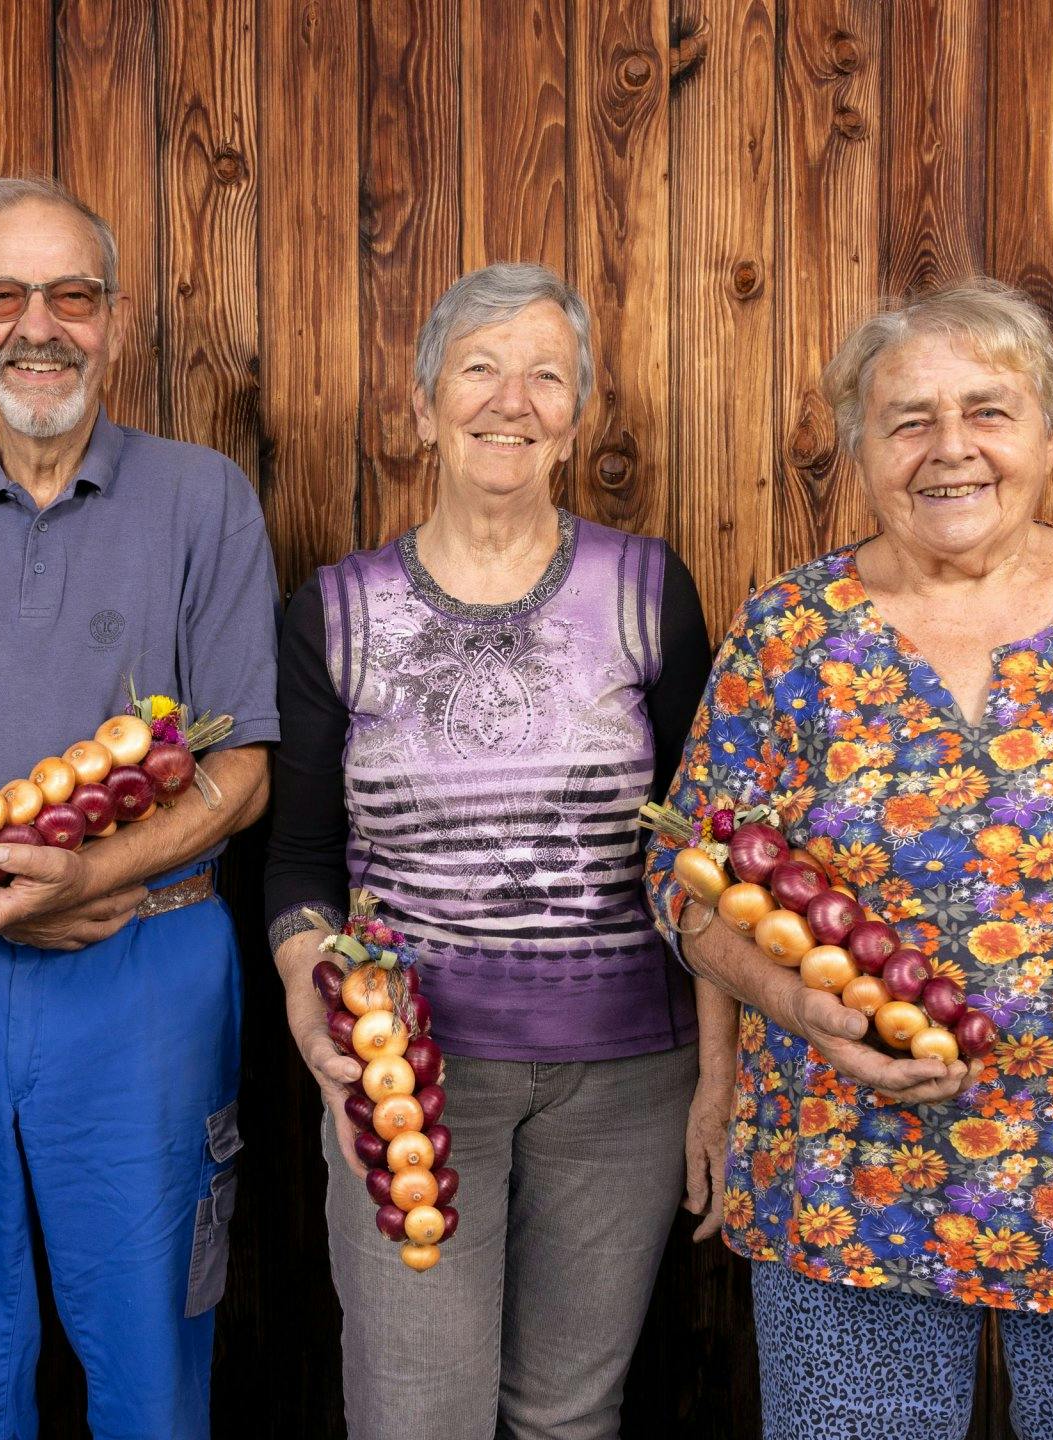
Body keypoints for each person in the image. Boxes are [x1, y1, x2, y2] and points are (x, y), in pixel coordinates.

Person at [650, 278, 1053, 1440]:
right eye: (909, 420)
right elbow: (688, 879)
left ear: (1050, 430)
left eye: (988, 411)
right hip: (851, 1184)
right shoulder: (788, 636)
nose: (950, 448)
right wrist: (793, 1005)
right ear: (860, 449)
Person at [0, 174, 278, 1440]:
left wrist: (88, 877)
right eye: (3, 296)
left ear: (115, 318)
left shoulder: (203, 499)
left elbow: (244, 769)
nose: (38, 326)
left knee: (151, 1340)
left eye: (71, 295)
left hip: (147, 960)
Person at [264, 262, 714, 1438]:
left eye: (546, 377)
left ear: (575, 417)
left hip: (626, 1081)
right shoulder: (334, 613)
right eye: (478, 369)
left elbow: (705, 850)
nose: (511, 400)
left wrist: (722, 1074)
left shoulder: (648, 588)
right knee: (419, 1416)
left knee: (568, 1417)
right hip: (409, 1071)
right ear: (423, 408)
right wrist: (311, 989)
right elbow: (301, 858)